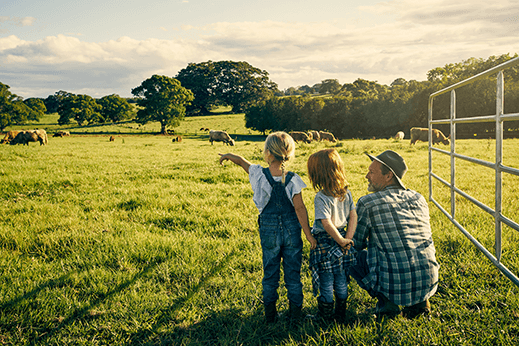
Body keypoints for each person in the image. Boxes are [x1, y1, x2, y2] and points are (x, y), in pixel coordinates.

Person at [219, 131, 317, 323]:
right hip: (292, 230)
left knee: (270, 272)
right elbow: (299, 208)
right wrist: (309, 235)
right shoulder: (293, 179)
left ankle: (270, 316)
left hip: (269, 229)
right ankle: (296, 315)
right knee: (293, 274)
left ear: (268, 153)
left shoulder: (258, 173)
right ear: (288, 153)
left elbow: (242, 162)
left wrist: (228, 156)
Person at [350, 150, 440, 319]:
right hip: (429, 282)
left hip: (395, 286)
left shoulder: (368, 202)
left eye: (371, 172)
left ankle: (387, 303)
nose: (366, 176)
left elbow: (356, 242)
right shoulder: (418, 198)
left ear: (388, 175)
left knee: (348, 254)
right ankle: (420, 303)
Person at [307, 149, 357, 322]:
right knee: (341, 278)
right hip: (343, 239)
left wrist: (342, 240)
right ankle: (341, 313)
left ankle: (325, 316)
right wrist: (346, 239)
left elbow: (326, 224)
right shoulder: (347, 193)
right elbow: (353, 216)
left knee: (326, 280)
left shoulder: (321, 197)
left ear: (318, 175)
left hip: (326, 242)